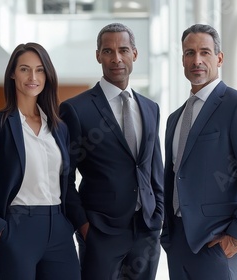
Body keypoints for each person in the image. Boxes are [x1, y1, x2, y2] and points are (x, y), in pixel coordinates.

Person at [160, 23, 237, 280]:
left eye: (205, 52)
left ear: (219, 58)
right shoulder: (175, 118)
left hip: (216, 242)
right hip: (177, 243)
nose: (197, 60)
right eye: (189, 53)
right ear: (182, 60)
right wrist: (168, 234)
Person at [59, 23, 164, 279]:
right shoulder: (76, 109)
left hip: (146, 230)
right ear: (98, 56)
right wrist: (84, 226)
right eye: (108, 51)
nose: (116, 58)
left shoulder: (150, 108)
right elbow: (65, 176)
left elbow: (154, 168)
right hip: (100, 232)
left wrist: (158, 215)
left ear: (134, 54)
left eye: (123, 50)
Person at [0, 42, 81, 280]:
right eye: (25, 69)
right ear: (12, 73)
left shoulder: (59, 127)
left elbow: (67, 182)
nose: (33, 77)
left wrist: (73, 224)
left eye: (39, 70)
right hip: (17, 227)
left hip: (58, 227)